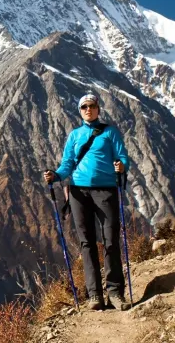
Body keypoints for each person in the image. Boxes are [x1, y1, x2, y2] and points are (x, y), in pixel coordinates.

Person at [43, 93, 131, 311]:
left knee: (110, 240)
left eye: (91, 106)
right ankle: (94, 296)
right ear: (80, 111)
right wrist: (55, 175)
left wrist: (122, 166)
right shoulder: (74, 135)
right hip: (78, 192)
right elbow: (68, 164)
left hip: (106, 190)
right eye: (84, 107)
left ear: (98, 108)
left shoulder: (110, 132)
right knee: (87, 243)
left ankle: (115, 293)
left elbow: (123, 156)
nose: (88, 110)